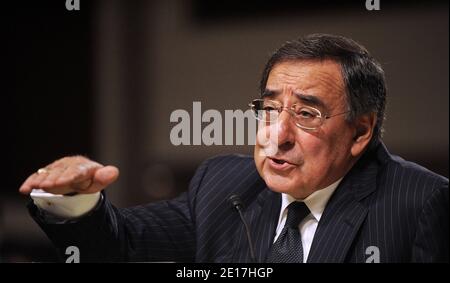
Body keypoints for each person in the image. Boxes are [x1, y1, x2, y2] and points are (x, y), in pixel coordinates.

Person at [19, 34, 448, 263]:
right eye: (270, 108)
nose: (276, 135)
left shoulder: (420, 203)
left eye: (306, 114)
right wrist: (73, 199)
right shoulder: (223, 184)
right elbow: (121, 245)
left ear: (360, 133)